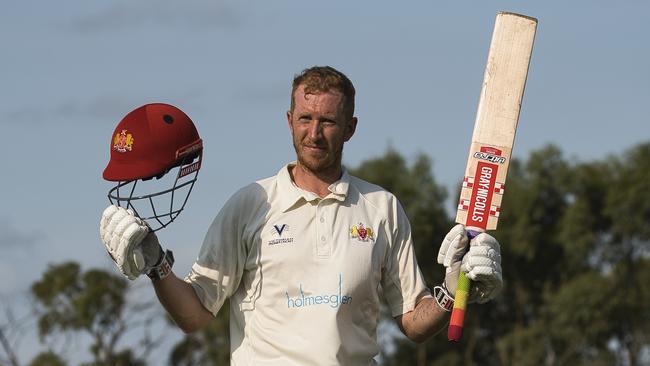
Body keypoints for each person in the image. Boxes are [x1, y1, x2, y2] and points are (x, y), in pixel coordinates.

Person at [100, 66, 502, 365]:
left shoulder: (381, 208)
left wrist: (451, 291)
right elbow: (196, 315)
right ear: (289, 121)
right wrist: (156, 266)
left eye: (328, 121)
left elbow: (413, 323)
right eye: (305, 119)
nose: (314, 133)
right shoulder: (251, 204)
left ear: (350, 128)